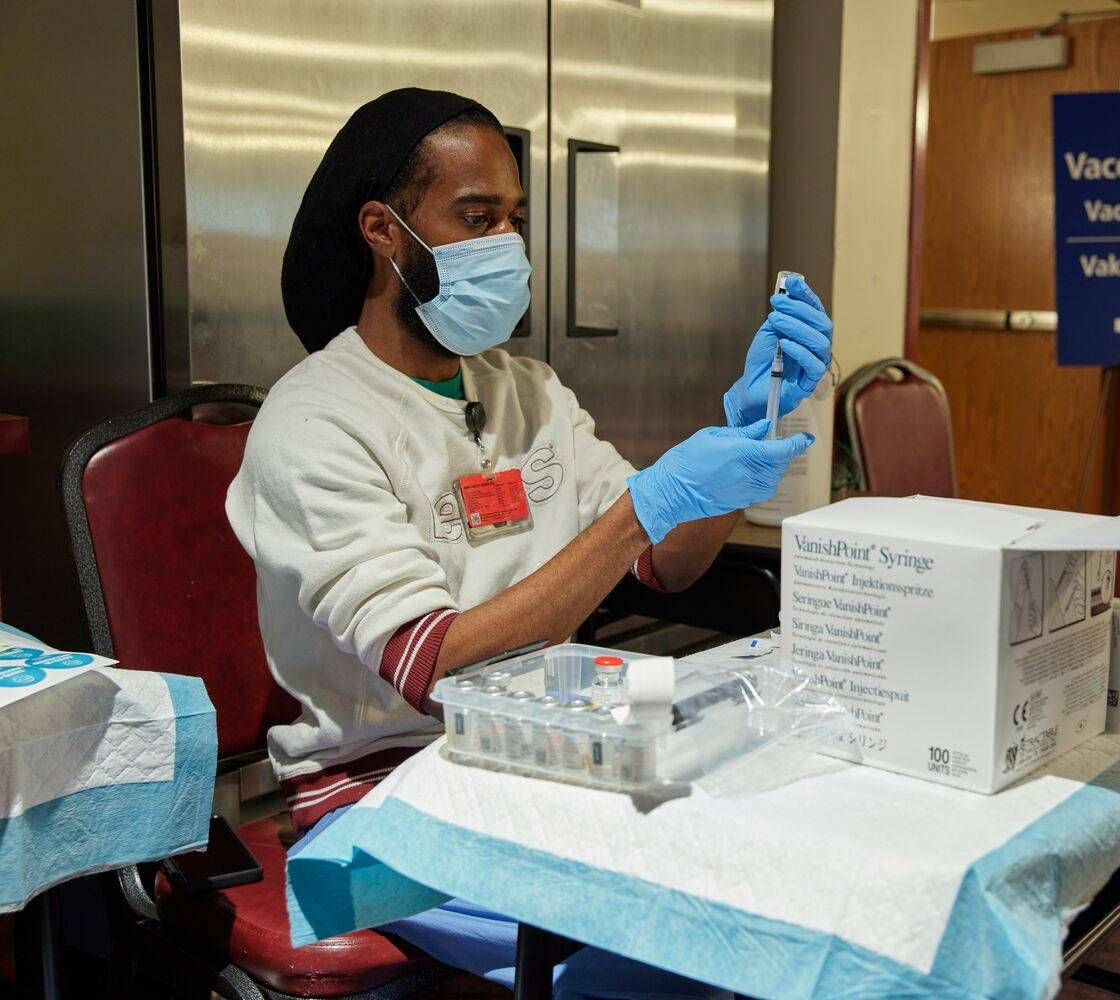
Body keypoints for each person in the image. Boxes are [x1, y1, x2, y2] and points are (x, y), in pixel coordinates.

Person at [228, 88, 832, 996]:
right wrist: (645, 506)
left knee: (773, 867)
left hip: (549, 746)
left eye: (514, 219)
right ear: (384, 232)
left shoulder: (529, 390)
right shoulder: (314, 419)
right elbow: (431, 663)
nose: (506, 245)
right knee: (665, 953)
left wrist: (746, 438)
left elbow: (661, 563)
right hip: (386, 794)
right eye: (475, 218)